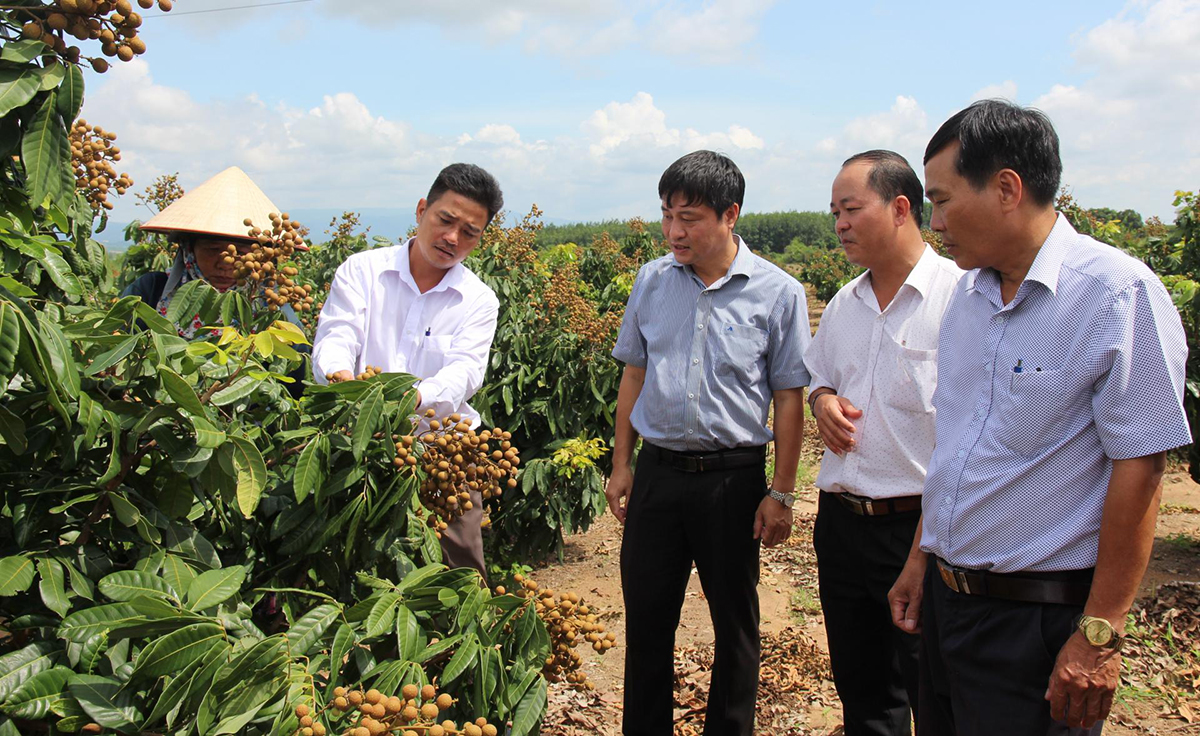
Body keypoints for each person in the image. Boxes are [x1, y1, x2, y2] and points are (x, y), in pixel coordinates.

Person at [886, 100, 1191, 735]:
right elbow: (958, 450)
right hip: (949, 609)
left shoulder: (1114, 294)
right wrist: (923, 559)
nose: (933, 221)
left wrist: (1099, 635)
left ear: (1005, 188)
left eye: (941, 201)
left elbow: (1140, 470)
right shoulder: (968, 297)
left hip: (1035, 623)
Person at [606, 150, 811, 736]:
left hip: (733, 479)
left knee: (735, 627)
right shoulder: (651, 280)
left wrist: (782, 492)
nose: (674, 231)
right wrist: (623, 465)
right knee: (647, 623)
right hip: (659, 473)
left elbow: (789, 397)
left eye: (689, 217)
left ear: (730, 215)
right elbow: (634, 376)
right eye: (667, 215)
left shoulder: (779, 291)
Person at [805, 150, 962, 736]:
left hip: (919, 529)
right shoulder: (845, 304)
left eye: (851, 209)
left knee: (932, 688)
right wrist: (822, 401)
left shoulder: (960, 300)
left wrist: (924, 551)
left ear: (901, 208)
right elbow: (820, 377)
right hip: (842, 525)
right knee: (864, 691)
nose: (840, 224)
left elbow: (967, 440)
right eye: (834, 212)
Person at [312, 163, 503, 577]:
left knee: (460, 569)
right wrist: (343, 385)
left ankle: (459, 638)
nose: (452, 238)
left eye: (469, 232)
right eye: (445, 220)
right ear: (421, 211)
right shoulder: (361, 271)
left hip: (444, 454)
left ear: (480, 239)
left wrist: (412, 399)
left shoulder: (480, 300)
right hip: (353, 446)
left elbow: (466, 372)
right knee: (341, 561)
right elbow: (336, 338)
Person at [126, 166, 300, 337]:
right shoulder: (150, 290)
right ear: (189, 250)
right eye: (212, 249)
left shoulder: (272, 305)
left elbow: (300, 359)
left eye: (241, 252)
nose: (224, 264)